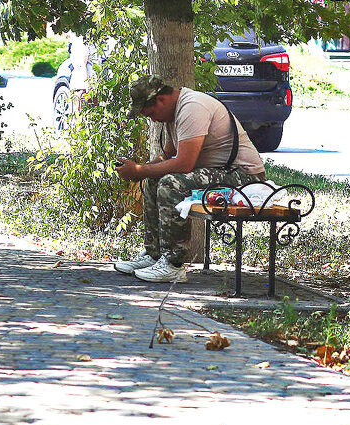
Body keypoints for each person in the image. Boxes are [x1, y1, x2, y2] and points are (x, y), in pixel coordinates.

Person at [114, 74, 267, 283]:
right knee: (153, 180)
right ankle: (154, 254)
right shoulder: (173, 114)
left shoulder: (192, 107)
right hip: (220, 172)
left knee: (171, 184)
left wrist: (139, 171)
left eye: (150, 113)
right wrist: (140, 169)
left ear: (161, 100)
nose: (152, 119)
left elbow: (183, 164)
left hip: (244, 176)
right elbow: (166, 155)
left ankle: (173, 264)